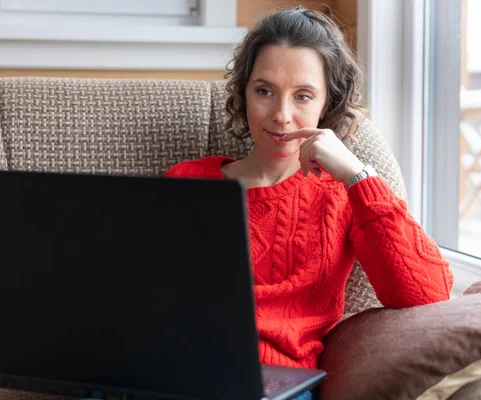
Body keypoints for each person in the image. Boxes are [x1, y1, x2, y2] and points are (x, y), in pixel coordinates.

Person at [165, 6, 453, 395]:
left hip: (272, 385)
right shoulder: (187, 181)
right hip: (174, 372)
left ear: (327, 105)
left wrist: (358, 176)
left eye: (303, 96)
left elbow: (427, 292)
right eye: (264, 91)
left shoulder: (347, 196)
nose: (282, 115)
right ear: (243, 93)